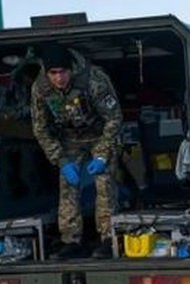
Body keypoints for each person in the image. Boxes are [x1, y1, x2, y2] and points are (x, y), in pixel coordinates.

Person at [31, 42, 123, 260]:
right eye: (53, 73)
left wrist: (101, 154)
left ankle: (108, 239)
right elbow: (40, 128)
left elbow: (114, 117)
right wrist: (61, 160)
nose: (59, 78)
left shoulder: (93, 80)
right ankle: (71, 241)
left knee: (104, 183)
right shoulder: (40, 88)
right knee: (68, 185)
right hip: (70, 139)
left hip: (101, 134)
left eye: (62, 72)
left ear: (70, 69)